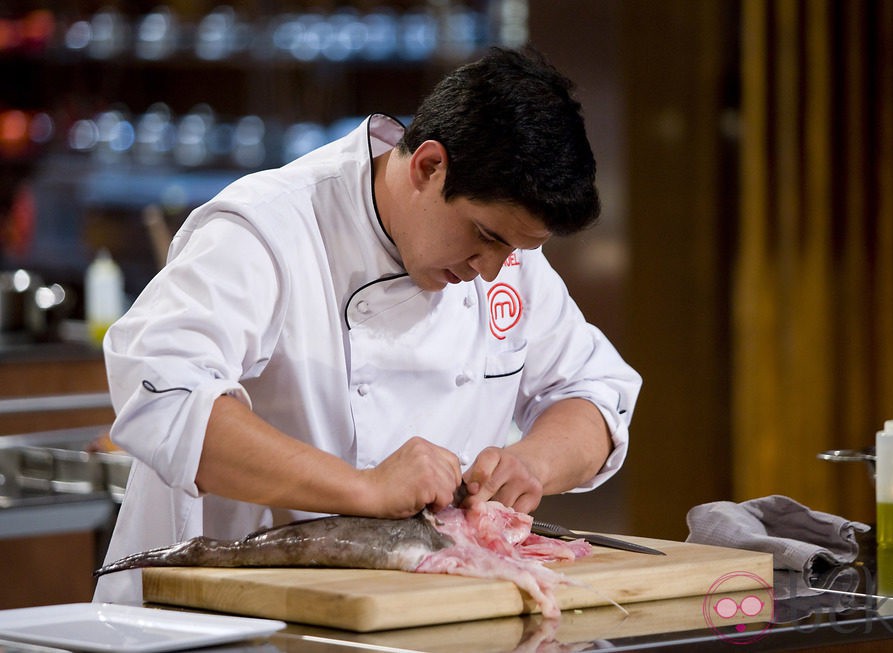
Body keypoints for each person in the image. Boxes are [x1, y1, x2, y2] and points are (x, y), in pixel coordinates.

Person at [93, 47, 641, 604]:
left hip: (418, 613)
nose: (494, 269)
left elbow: (597, 396)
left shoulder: (504, 257)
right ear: (429, 166)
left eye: (518, 248)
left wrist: (533, 462)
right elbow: (163, 393)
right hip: (225, 617)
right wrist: (364, 487)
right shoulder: (270, 227)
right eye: (487, 236)